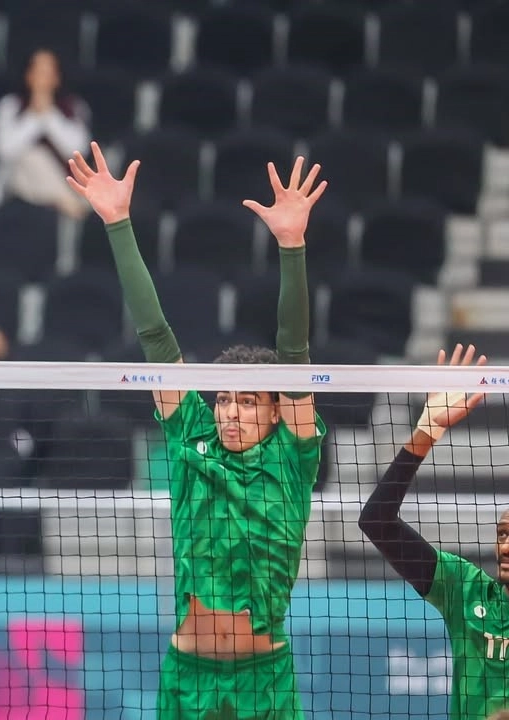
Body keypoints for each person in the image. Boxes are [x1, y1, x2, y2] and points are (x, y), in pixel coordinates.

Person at [66, 142, 327, 719]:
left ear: (276, 411)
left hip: (264, 680)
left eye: (247, 402)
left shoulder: (293, 456)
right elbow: (155, 336)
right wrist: (117, 223)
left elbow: (295, 352)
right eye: (224, 399)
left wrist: (291, 246)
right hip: (188, 677)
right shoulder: (191, 436)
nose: (230, 412)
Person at [359, 343, 509, 720]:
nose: (506, 546)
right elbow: (377, 521)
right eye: (503, 534)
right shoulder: (465, 589)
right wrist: (427, 431)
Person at [0, 48, 90, 219]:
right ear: (28, 76)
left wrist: (49, 114)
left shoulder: (74, 106)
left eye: (48, 73)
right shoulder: (10, 105)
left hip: (63, 179)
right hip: (15, 182)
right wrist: (34, 116)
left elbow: (78, 151)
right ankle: (69, 204)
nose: (42, 79)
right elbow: (4, 151)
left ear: (57, 78)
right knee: (32, 157)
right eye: (38, 72)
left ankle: (64, 201)